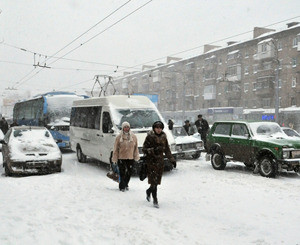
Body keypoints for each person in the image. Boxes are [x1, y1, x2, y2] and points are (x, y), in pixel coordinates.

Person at [143, 121, 176, 208]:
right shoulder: (149, 137)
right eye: (157, 128)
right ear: (154, 128)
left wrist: (172, 159)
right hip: (151, 162)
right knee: (154, 181)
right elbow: (144, 149)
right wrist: (153, 150)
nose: (158, 129)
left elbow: (167, 150)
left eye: (160, 128)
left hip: (160, 162)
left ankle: (149, 191)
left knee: (156, 182)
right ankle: (155, 199)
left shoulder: (163, 137)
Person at [112, 121, 140, 192]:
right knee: (122, 172)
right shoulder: (119, 137)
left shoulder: (133, 137)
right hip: (121, 157)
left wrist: (136, 156)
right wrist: (115, 158)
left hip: (130, 158)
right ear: (122, 128)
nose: (126, 128)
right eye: (125, 127)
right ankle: (122, 186)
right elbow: (115, 148)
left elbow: (136, 148)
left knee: (129, 172)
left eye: (127, 127)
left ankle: (126, 183)